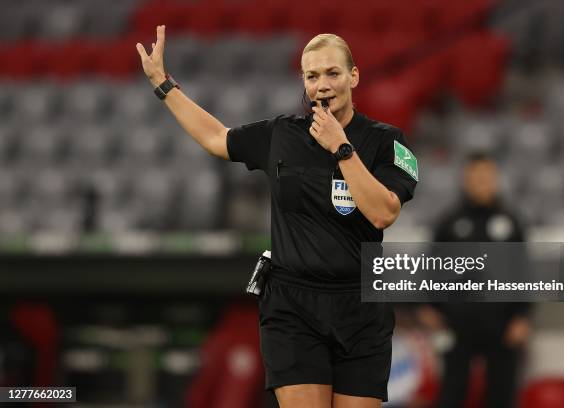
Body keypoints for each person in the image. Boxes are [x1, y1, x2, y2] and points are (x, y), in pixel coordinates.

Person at [136, 27, 418, 408]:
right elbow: (217, 138)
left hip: (361, 307)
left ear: (353, 76)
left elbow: (384, 212)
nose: (322, 84)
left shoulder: (388, 142)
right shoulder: (281, 135)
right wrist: (163, 85)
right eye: (312, 75)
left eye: (332, 73)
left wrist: (341, 148)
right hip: (292, 306)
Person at [419, 152, 531, 408]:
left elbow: (522, 271)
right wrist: (429, 306)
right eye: (475, 177)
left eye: (486, 177)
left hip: (502, 323)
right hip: (457, 321)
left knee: (501, 393)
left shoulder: (511, 223)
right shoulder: (449, 222)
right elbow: (432, 267)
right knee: (452, 390)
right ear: (465, 180)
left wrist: (522, 316)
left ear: (495, 180)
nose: (481, 182)